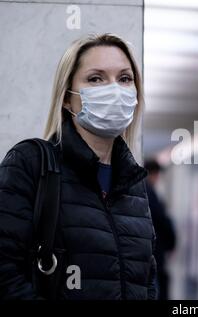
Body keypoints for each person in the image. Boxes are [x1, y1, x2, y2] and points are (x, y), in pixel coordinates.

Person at [0, 33, 157, 299]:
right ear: (67, 97)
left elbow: (147, 281)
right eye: (96, 78)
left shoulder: (134, 186)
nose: (115, 90)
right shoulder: (30, 164)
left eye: (125, 79)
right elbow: (4, 273)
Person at [144, 159, 176, 300]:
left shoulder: (142, 191)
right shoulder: (149, 193)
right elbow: (161, 220)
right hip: (155, 254)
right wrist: (171, 243)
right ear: (154, 174)